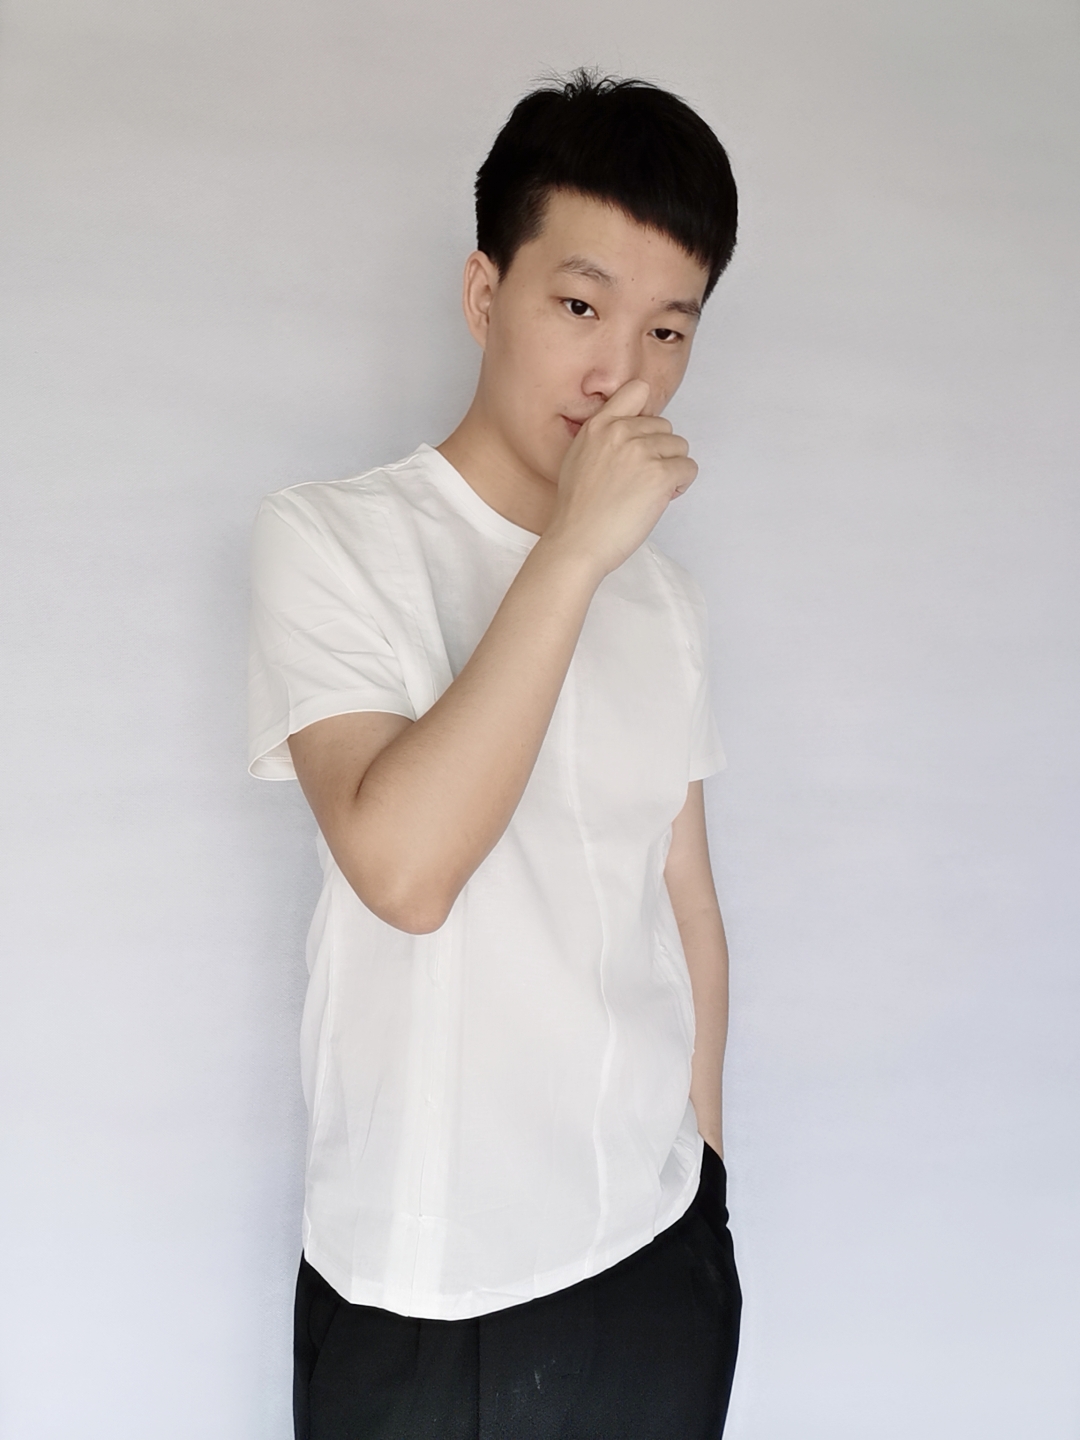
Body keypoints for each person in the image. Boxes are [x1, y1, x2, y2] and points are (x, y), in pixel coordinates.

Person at [248, 69, 741, 1440]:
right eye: (580, 306)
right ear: (484, 293)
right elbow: (404, 872)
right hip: (419, 1289)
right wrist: (573, 552)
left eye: (668, 329)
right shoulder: (333, 539)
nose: (623, 373)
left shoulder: (666, 601)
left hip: (652, 1254)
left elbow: (685, 903)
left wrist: (704, 1169)